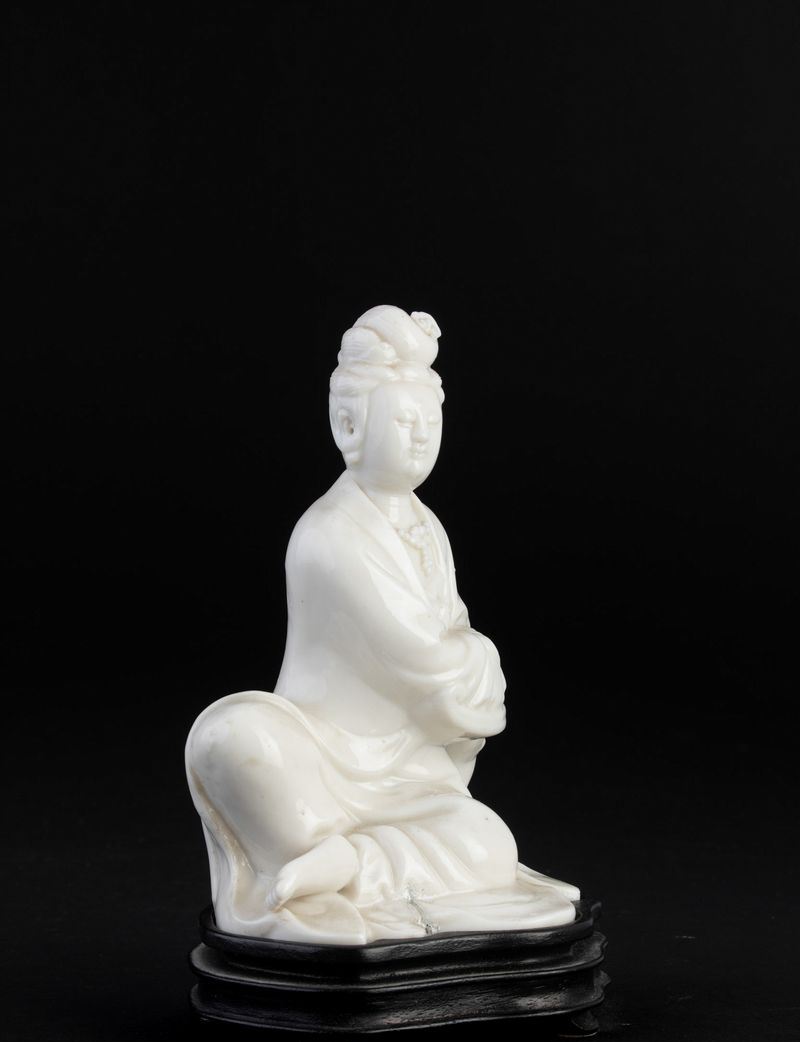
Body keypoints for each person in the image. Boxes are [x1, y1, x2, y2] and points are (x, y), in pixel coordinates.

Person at [186, 305, 578, 943]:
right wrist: (476, 658)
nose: (422, 437)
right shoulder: (328, 532)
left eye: (432, 421)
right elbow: (423, 655)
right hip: (319, 756)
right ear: (348, 425)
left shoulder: (427, 527)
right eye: (403, 420)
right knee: (231, 737)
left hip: (405, 774)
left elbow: (451, 642)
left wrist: (466, 659)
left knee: (489, 843)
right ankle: (319, 855)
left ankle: (349, 867)